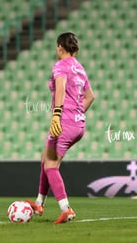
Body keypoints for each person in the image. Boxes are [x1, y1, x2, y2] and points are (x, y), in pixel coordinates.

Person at [26, 32, 95, 224]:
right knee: (45, 159)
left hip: (63, 122)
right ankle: (39, 203)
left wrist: (57, 115)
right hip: (78, 124)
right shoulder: (80, 69)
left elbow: (61, 89)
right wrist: (78, 113)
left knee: (50, 165)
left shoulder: (60, 66)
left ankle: (66, 209)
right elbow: (90, 97)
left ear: (59, 47)